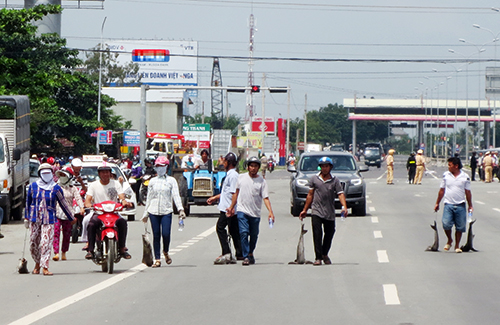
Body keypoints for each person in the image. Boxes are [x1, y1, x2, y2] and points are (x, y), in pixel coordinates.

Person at [24, 163, 75, 276]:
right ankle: (37, 263)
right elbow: (28, 203)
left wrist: (71, 217)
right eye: (44, 173)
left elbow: (63, 204)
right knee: (33, 243)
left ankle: (45, 266)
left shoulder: (56, 188)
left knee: (45, 243)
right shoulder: (33, 186)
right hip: (34, 218)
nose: (46, 175)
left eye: (48, 173)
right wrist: (26, 217)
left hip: (49, 218)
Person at [299, 157, 348, 266]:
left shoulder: (335, 180)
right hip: (316, 210)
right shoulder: (314, 179)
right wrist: (305, 210)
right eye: (323, 166)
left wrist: (344, 207)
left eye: (327, 166)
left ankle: (324, 253)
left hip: (329, 211)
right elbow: (310, 195)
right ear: (320, 167)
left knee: (330, 233)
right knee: (317, 234)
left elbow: (340, 194)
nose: (325, 168)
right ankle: (318, 257)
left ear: (330, 167)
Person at [227, 156, 275, 266]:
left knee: (254, 235)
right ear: (248, 167)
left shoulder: (261, 181)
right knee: (243, 233)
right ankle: (246, 256)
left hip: (255, 213)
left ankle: (250, 252)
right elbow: (236, 193)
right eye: (251, 166)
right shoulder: (241, 178)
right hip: (242, 210)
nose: (253, 168)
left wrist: (270, 212)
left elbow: (265, 198)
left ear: (258, 168)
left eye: (255, 166)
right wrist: (231, 207)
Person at [141, 156, 186, 267]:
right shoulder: (152, 181)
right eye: (158, 166)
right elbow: (149, 198)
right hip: (153, 211)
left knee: (166, 234)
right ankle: (157, 259)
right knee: (156, 235)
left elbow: (176, 195)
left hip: (166, 210)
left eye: (162, 166)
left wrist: (180, 209)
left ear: (166, 167)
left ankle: (165, 251)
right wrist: (145, 213)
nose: (160, 168)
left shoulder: (171, 181)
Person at [84, 163, 133, 260]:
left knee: (122, 222)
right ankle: (90, 250)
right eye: (102, 172)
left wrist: (124, 202)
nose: (105, 174)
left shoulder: (116, 183)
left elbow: (121, 196)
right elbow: (88, 199)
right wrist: (88, 204)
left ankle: (122, 247)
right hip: (99, 213)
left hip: (113, 213)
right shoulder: (94, 185)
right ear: (99, 174)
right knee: (92, 224)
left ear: (110, 173)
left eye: (107, 172)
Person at [207, 152, 243, 264]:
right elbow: (226, 192)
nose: (222, 162)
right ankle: (240, 253)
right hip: (228, 206)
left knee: (220, 228)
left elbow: (234, 193)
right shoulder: (230, 174)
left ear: (228, 162)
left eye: (224, 161)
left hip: (228, 208)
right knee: (233, 231)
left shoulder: (232, 176)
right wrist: (215, 198)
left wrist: (231, 207)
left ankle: (226, 253)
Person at [434, 157, 473, 253]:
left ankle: (457, 245)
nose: (448, 167)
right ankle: (449, 240)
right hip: (448, 204)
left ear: (456, 166)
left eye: (450, 165)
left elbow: (468, 192)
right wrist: (437, 203)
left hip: (460, 204)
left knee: (460, 227)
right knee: (446, 224)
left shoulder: (465, 177)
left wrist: (470, 205)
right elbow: (442, 190)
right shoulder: (446, 175)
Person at [52, 168, 85, 261]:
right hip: (57, 213)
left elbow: (78, 198)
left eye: (64, 175)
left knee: (67, 234)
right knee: (56, 233)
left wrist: (81, 207)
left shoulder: (72, 188)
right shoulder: (56, 186)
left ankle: (64, 252)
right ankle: (56, 253)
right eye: (61, 175)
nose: (62, 177)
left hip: (68, 214)